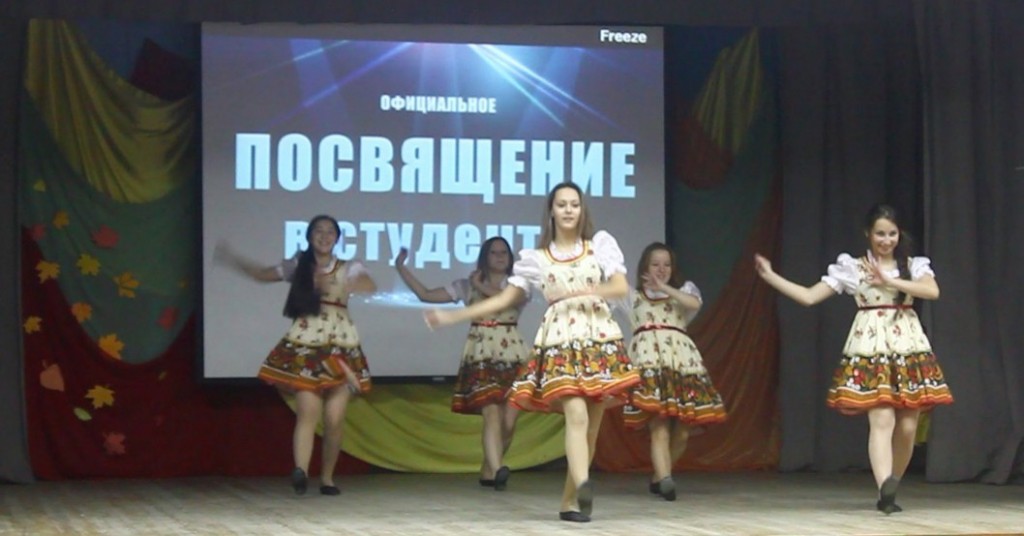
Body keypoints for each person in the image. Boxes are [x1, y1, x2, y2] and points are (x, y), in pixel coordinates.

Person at [425, 182, 640, 523]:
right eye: (562, 204)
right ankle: (583, 482)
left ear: (581, 210)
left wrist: (584, 291)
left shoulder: (599, 246)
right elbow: (504, 298)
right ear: (551, 211)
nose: (568, 210)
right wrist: (454, 316)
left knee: (591, 427)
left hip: (598, 339)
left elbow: (619, 286)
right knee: (576, 414)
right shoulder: (536, 259)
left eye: (574, 204)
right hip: (561, 340)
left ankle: (570, 500)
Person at [753, 203, 953, 514]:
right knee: (882, 419)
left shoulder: (913, 266)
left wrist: (890, 282)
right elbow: (809, 296)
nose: (886, 240)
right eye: (880, 234)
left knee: (908, 426)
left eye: (891, 234)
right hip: (871, 348)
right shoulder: (853, 268)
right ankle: (884, 490)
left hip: (907, 346)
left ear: (899, 235)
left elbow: (932, 291)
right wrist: (770, 276)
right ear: (868, 234)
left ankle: (893, 482)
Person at [215, 215, 377, 496]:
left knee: (335, 419)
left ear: (337, 238)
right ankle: (300, 471)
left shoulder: (348, 267)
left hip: (340, 347)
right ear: (310, 236)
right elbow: (262, 274)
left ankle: (327, 479)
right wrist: (232, 259)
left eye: (330, 232)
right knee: (307, 413)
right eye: (319, 231)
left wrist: (346, 284)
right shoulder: (298, 265)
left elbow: (369, 286)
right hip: (306, 345)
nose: (324, 236)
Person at [393, 237, 528, 491]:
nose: (500, 256)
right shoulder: (466, 286)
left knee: (509, 421)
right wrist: (401, 267)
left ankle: (489, 468)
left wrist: (480, 285)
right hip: (481, 351)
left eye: (504, 252)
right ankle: (498, 468)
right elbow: (426, 294)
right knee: (491, 412)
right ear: (484, 257)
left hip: (513, 353)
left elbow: (505, 300)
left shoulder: (519, 284)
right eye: (494, 252)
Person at [621, 242, 727, 502]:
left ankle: (659, 476)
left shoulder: (683, 292)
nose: (661, 269)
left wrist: (664, 288)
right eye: (655, 264)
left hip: (682, 364)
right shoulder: (633, 297)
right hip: (650, 365)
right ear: (645, 267)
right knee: (658, 424)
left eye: (666, 264)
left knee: (682, 430)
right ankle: (666, 479)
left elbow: (694, 304)